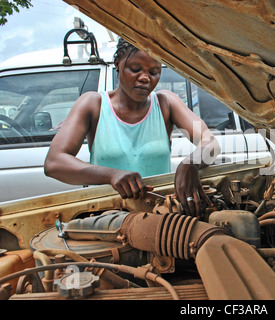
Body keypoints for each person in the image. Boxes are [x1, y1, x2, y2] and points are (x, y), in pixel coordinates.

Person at [44, 38, 220, 217]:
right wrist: (111, 175)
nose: (145, 78)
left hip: (161, 216)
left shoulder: (166, 103)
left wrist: (190, 165)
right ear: (117, 65)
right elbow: (54, 162)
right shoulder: (93, 104)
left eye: (154, 72)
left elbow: (210, 143)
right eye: (135, 69)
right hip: (110, 216)